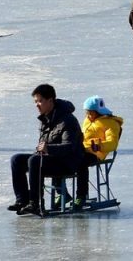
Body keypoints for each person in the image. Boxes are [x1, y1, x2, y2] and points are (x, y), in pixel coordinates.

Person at [8, 84, 85, 216]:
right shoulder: (45, 118)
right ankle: (23, 200)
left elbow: (69, 147)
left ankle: (35, 203)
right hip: (51, 159)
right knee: (17, 159)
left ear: (50, 100)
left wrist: (48, 149)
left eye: (40, 101)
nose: (37, 105)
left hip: (68, 163)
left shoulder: (67, 120)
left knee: (34, 161)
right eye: (35, 102)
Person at [81, 97, 123, 174]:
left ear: (98, 112)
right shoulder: (87, 120)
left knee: (79, 161)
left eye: (90, 112)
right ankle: (60, 183)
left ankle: (82, 186)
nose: (88, 115)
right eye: (86, 112)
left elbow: (113, 143)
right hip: (83, 149)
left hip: (96, 153)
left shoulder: (111, 123)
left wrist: (99, 146)